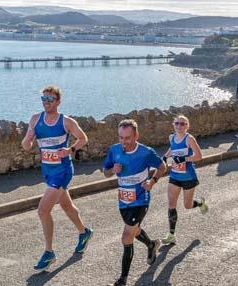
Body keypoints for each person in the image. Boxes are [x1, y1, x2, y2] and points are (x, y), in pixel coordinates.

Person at [22, 86, 93, 271]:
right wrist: (28, 139)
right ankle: (84, 232)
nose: (46, 102)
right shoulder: (35, 119)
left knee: (43, 210)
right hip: (47, 169)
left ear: (58, 102)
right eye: (43, 98)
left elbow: (83, 138)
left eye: (50, 99)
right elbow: (26, 145)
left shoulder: (66, 122)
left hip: (62, 170)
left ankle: (49, 252)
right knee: (66, 205)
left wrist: (70, 150)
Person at [103, 119, 166, 286]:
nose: (124, 141)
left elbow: (162, 167)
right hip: (124, 201)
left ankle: (122, 280)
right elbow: (105, 172)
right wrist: (112, 170)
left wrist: (152, 182)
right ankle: (151, 244)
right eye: (121, 137)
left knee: (126, 236)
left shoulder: (146, 152)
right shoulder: (114, 150)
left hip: (141, 199)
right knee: (134, 230)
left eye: (128, 137)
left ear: (136, 135)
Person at [161, 115, 208, 245]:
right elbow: (172, 148)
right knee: (171, 204)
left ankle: (199, 203)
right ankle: (171, 234)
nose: (179, 126)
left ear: (187, 126)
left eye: (182, 124)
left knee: (187, 205)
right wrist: (165, 157)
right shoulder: (171, 137)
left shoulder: (189, 138)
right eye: (177, 123)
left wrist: (184, 159)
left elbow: (198, 156)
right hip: (175, 175)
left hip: (188, 177)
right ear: (173, 124)